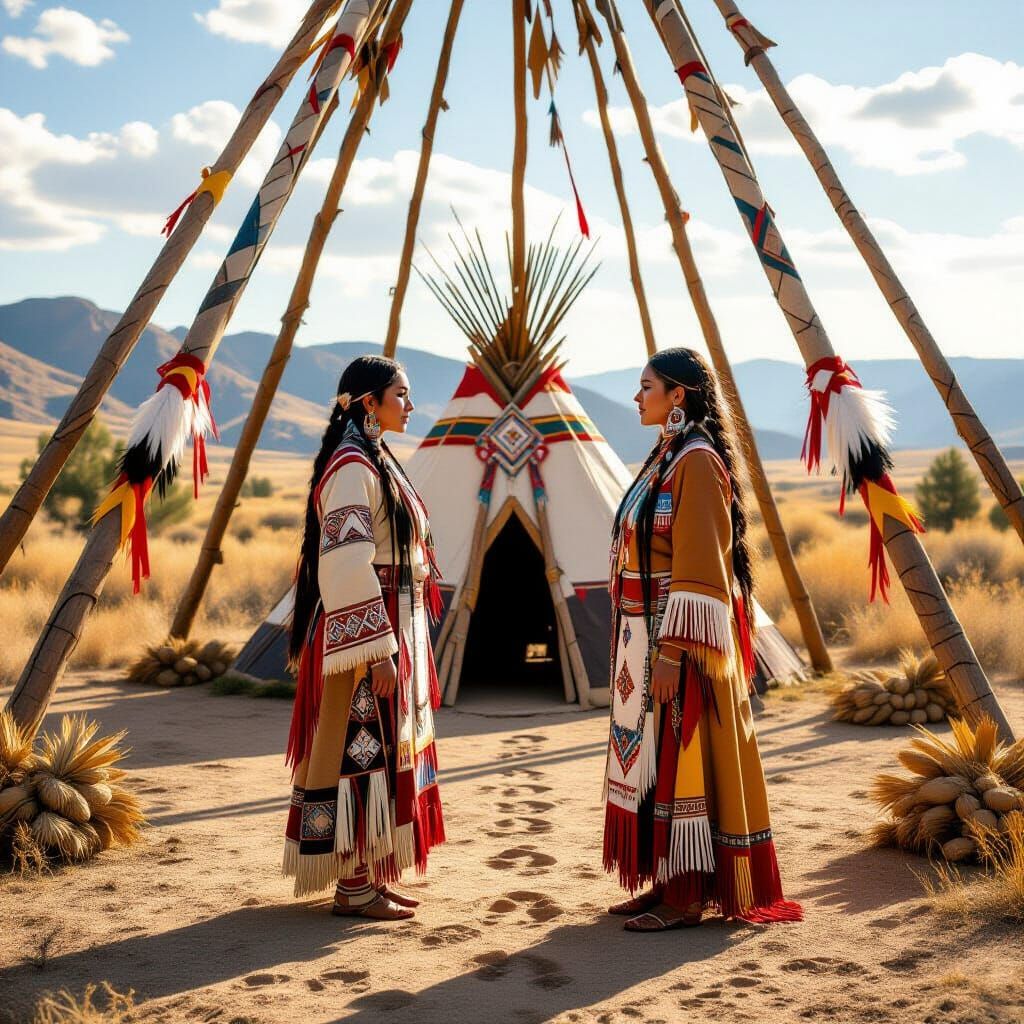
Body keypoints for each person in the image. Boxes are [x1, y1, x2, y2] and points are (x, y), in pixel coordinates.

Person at [603, 347, 802, 931]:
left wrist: (670, 653)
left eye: (646, 387)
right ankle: (665, 880)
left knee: (680, 756)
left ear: (677, 395)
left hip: (680, 645)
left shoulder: (695, 460)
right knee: (652, 759)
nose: (637, 398)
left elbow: (700, 565)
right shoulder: (666, 455)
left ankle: (687, 896)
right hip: (645, 640)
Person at [283, 356, 445, 920]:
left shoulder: (374, 459)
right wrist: (377, 651)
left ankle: (372, 874)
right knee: (360, 752)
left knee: (381, 751)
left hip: (391, 624)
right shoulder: (352, 466)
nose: (410, 405)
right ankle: (353, 885)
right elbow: (347, 564)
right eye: (402, 394)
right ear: (369, 402)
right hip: (364, 637)